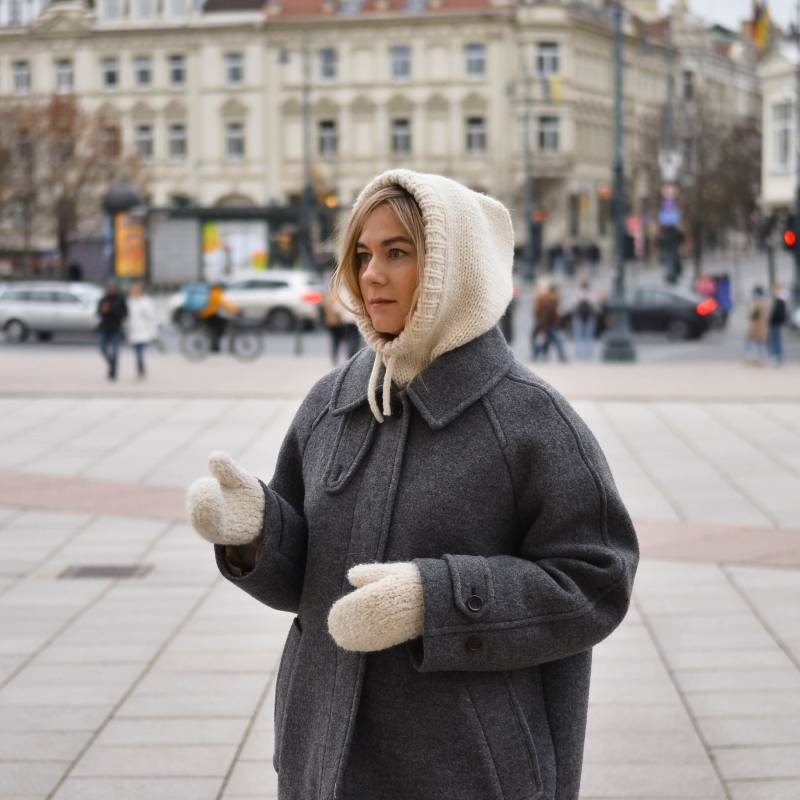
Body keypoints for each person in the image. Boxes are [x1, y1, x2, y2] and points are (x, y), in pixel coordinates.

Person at [186, 170, 638, 800]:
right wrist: (258, 531)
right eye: (363, 254)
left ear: (455, 268)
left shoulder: (531, 419)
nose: (371, 274)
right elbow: (310, 586)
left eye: (398, 253)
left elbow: (597, 581)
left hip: (465, 773)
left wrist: (437, 600)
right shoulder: (332, 403)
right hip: (321, 760)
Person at [96, 281, 128, 381]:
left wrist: (111, 310)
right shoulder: (103, 299)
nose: (110, 290)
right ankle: (111, 363)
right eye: (109, 288)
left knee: (115, 351)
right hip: (104, 328)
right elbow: (98, 313)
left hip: (116, 328)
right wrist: (102, 311)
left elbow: (124, 314)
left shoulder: (120, 299)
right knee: (102, 348)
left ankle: (113, 372)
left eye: (112, 288)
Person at [127, 282, 158, 379]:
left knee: (140, 353)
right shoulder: (129, 302)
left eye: (136, 290)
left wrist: (153, 333)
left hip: (143, 331)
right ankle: (141, 369)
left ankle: (141, 370)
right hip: (133, 331)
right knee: (137, 352)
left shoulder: (146, 302)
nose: (134, 291)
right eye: (133, 290)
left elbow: (151, 318)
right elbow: (126, 318)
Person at [197, 282, 240, 352]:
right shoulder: (216, 293)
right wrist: (236, 310)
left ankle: (215, 345)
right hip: (208, 314)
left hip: (207, 314)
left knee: (218, 327)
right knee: (221, 326)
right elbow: (224, 304)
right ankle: (214, 346)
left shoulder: (212, 292)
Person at [532, 282, 568, 362]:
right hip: (549, 325)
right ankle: (563, 358)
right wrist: (544, 326)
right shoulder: (550, 300)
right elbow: (547, 314)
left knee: (543, 341)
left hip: (547, 325)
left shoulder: (549, 299)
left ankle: (535, 356)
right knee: (556, 341)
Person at [572, 281, 598, 361]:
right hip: (589, 317)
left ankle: (578, 353)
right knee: (589, 336)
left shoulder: (577, 294)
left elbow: (573, 306)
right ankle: (589, 353)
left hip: (578, 317)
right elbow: (596, 306)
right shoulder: (592, 295)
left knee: (578, 336)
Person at [744, 285, 769, 366]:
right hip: (762, 327)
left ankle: (753, 359)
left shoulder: (757, 303)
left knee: (753, 343)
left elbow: (751, 315)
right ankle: (759, 360)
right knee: (760, 345)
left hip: (756, 327)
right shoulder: (765, 303)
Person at [768, 283, 789, 366]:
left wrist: (771, 319)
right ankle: (777, 356)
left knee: (776, 341)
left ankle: (777, 357)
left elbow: (778, 313)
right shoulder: (780, 300)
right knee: (776, 340)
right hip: (776, 323)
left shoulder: (780, 301)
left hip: (776, 323)